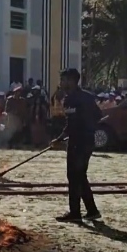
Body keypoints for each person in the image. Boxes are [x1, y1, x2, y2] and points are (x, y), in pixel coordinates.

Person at [50, 68, 102, 222]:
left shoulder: (76, 99)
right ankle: (92, 211)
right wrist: (60, 138)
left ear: (71, 81)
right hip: (83, 142)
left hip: (80, 143)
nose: (61, 83)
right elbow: (75, 122)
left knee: (74, 176)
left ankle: (75, 213)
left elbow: (75, 123)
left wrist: (62, 138)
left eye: (63, 80)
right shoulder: (80, 97)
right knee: (80, 176)